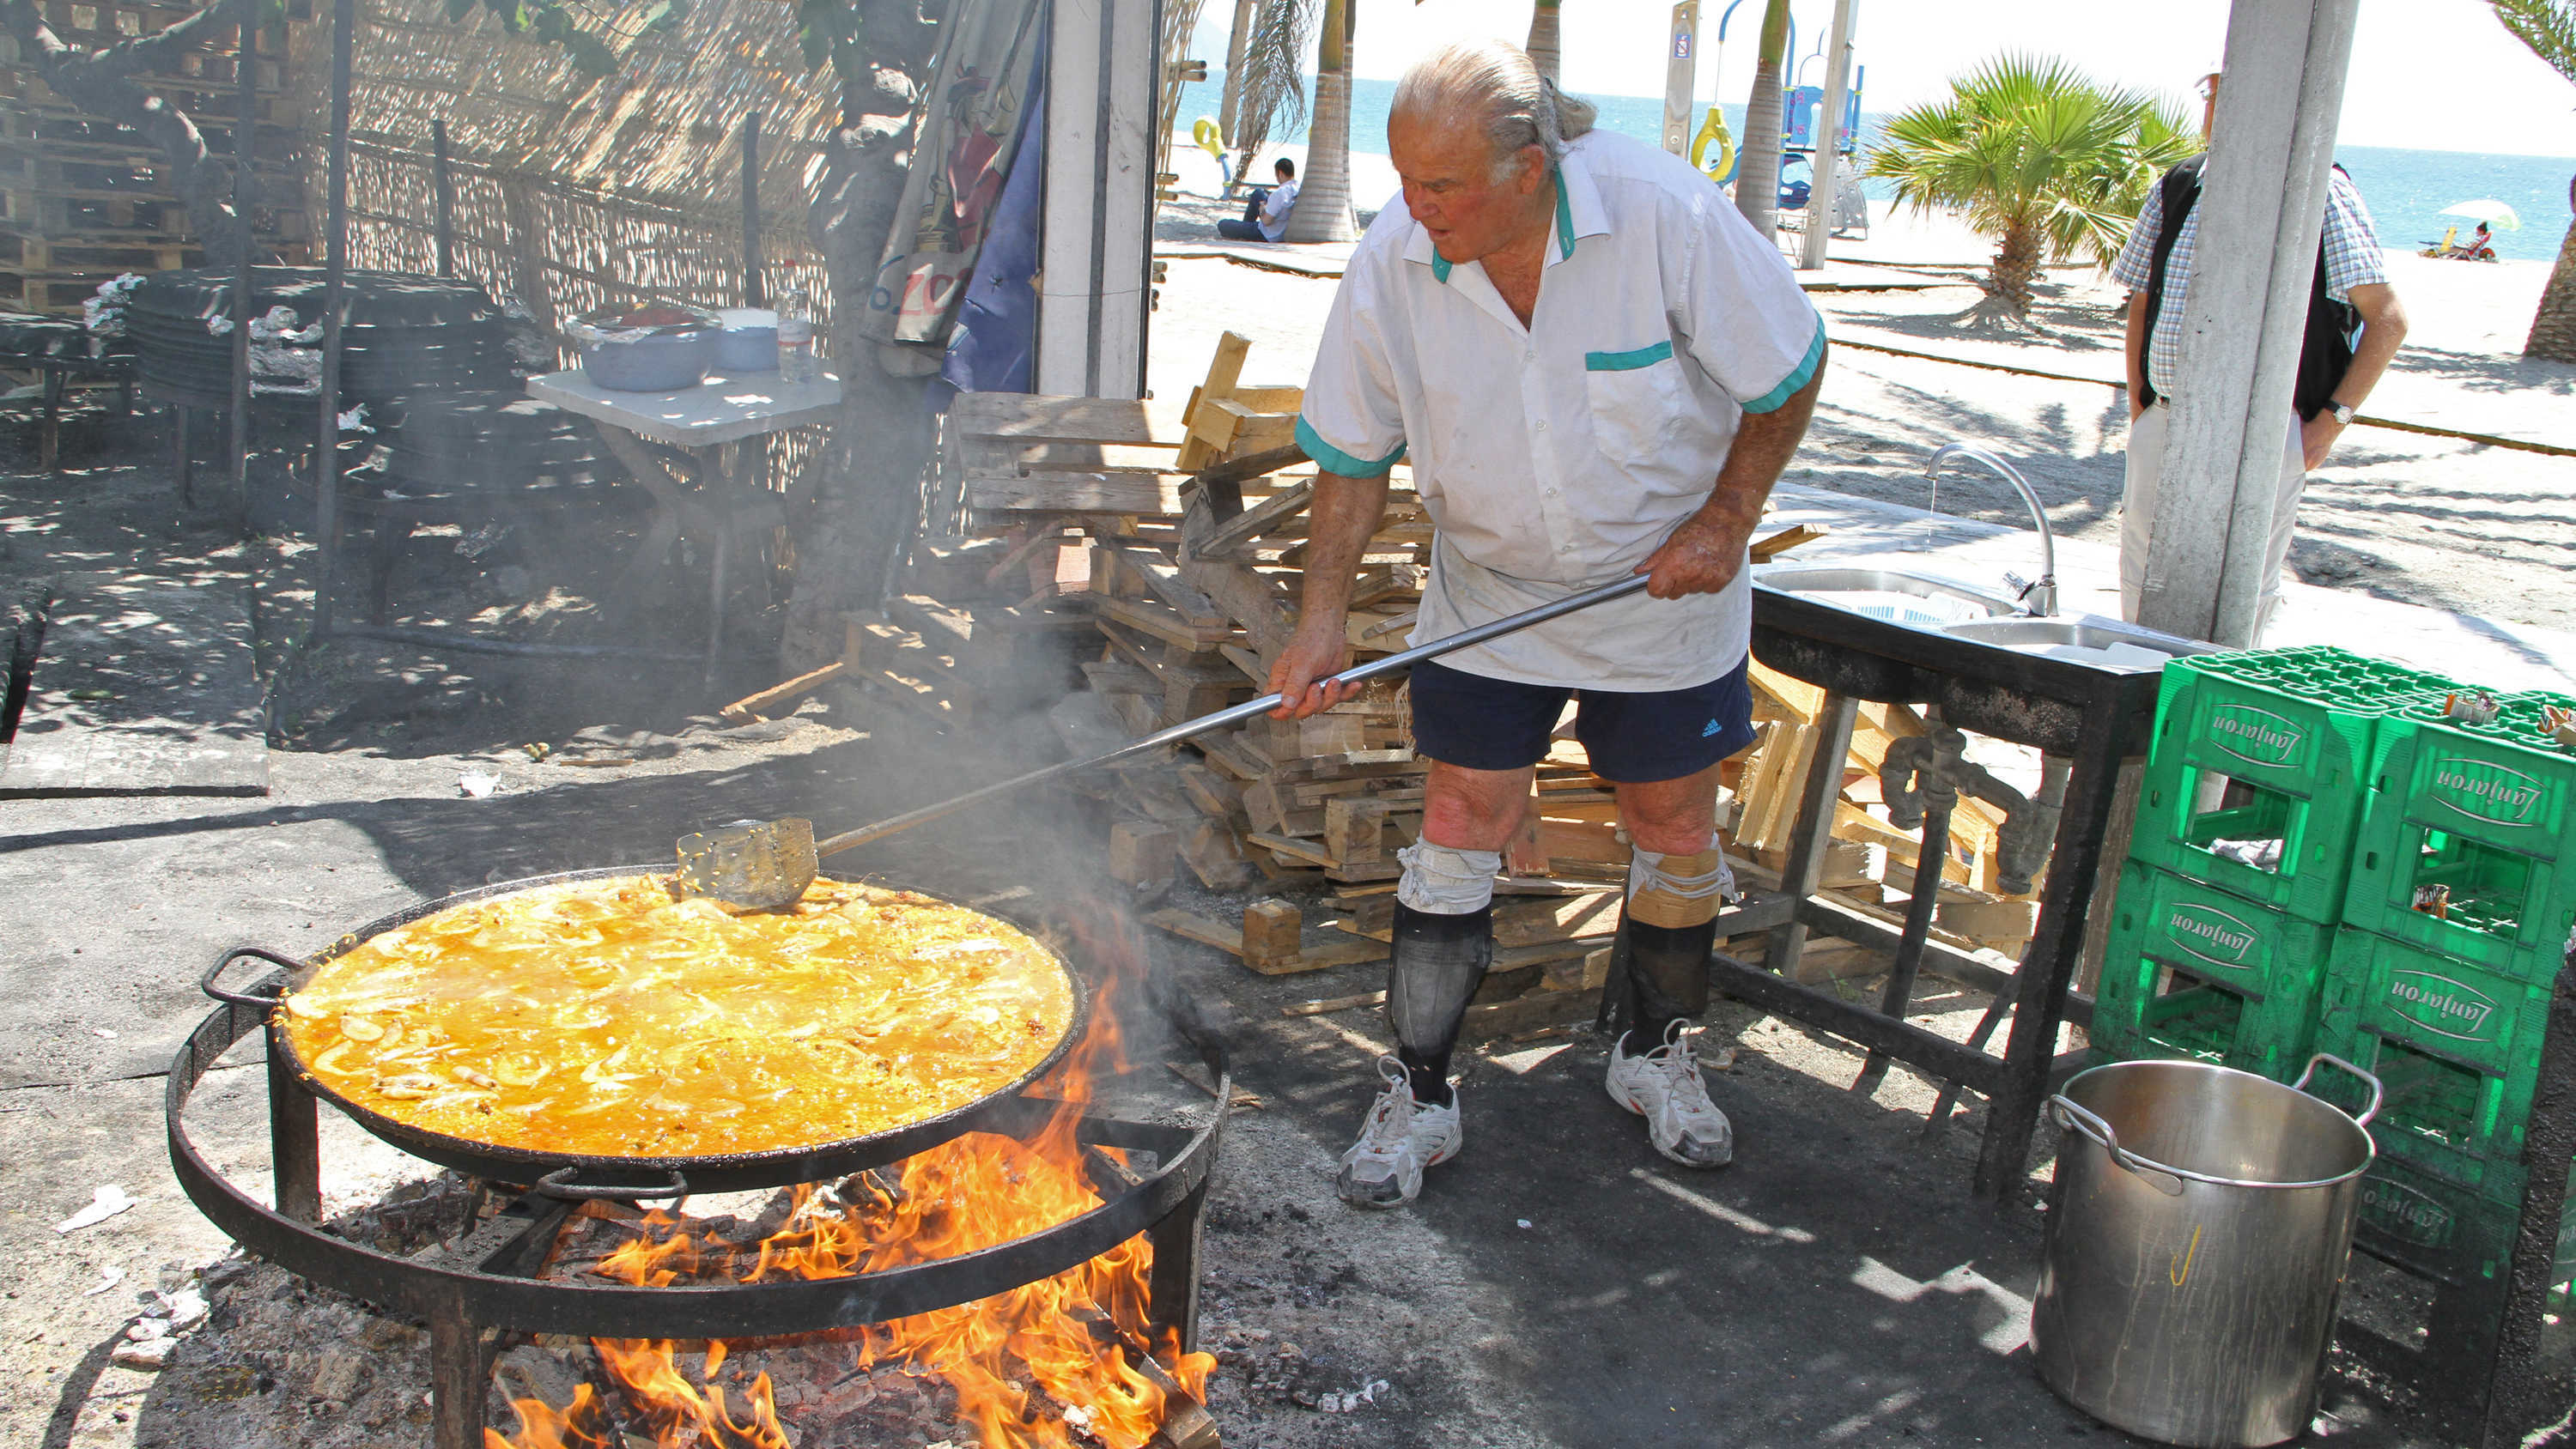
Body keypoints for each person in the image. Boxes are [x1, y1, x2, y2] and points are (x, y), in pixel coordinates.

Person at [1275, 39, 1827, 1209]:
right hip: (1491, 591)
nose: (1417, 208)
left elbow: (1788, 370)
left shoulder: (1662, 214)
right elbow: (1351, 451)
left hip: (1662, 592)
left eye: (1442, 185)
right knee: (1458, 820)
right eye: (1404, 179)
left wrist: (1728, 518)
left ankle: (1655, 1050)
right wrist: (1321, 621)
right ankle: (1420, 1088)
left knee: (1675, 824)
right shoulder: (1394, 258)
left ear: (1530, 168)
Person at [2110, 152, 2406, 640]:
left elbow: (2389, 319)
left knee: (2240, 592)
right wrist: (2142, 409)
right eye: (2211, 103)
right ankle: (2141, 678)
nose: (2217, 111)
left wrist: (2328, 426)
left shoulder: (2319, 187)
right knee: (2141, 577)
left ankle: (2217, 683)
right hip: (2163, 418)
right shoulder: (2179, 184)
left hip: (2263, 431)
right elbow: (2141, 302)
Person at [1218, 158, 1298, 242]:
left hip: (1267, 234)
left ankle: (1246, 229)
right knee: (1258, 193)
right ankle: (1246, 225)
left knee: (1223, 224)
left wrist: (1262, 210)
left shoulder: (1280, 193)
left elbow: (1266, 222)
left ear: (1280, 174)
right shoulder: (1298, 188)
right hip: (1281, 225)